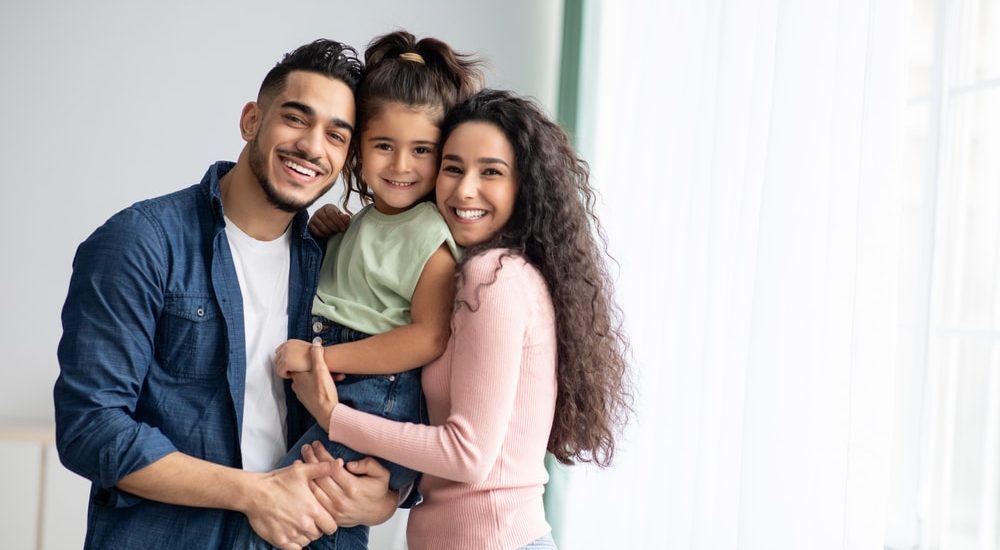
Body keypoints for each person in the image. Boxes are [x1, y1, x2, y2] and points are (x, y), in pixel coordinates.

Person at [53, 39, 398, 550]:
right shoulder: (141, 242)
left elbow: (393, 398)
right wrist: (255, 494)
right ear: (251, 120)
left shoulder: (336, 263)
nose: (311, 147)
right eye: (296, 119)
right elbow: (91, 428)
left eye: (335, 135)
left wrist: (392, 494)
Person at [291, 89, 634, 550]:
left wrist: (335, 417)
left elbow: (467, 455)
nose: (465, 189)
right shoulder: (474, 274)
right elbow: (476, 462)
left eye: (490, 171)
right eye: (453, 168)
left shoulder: (493, 278)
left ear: (523, 185)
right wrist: (393, 495)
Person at [235, 30, 483, 550]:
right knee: (308, 518)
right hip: (343, 387)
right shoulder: (365, 222)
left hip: (374, 397)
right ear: (357, 152)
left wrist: (320, 358)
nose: (401, 166)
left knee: (288, 517)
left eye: (422, 151)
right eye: (384, 146)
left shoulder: (428, 233)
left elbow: (428, 338)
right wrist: (334, 229)